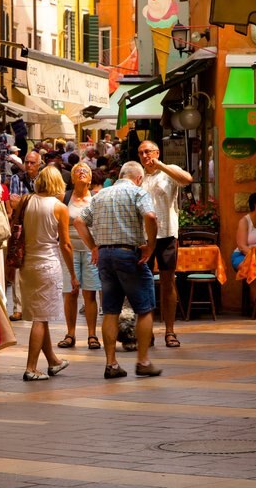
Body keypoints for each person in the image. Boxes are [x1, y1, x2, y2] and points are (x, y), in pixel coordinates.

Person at [75, 161, 163, 379]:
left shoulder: (101, 195)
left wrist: (94, 246)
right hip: (128, 254)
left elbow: (78, 221)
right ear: (139, 178)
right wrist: (151, 246)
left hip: (104, 256)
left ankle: (111, 364)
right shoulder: (137, 192)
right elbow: (151, 217)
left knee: (111, 310)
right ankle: (143, 361)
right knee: (144, 308)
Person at [18, 166, 76, 380]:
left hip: (27, 265)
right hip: (47, 265)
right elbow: (66, 245)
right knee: (40, 319)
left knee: (40, 315)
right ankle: (31, 368)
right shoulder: (59, 207)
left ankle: (53, 360)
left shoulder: (26, 201)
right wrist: (72, 273)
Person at [137, 140, 193, 348]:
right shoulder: (138, 176)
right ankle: (147, 330)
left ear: (157, 152)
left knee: (168, 282)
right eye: (141, 153)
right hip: (143, 237)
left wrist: (160, 165)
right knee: (144, 282)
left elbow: (187, 179)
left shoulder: (169, 171)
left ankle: (170, 331)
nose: (144, 156)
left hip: (167, 234)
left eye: (148, 151)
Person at [56, 163, 102, 350]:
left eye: (86, 171)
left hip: (91, 251)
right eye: (78, 171)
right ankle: (70, 333)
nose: (82, 172)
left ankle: (92, 334)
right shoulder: (64, 197)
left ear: (91, 179)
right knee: (70, 293)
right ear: (72, 178)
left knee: (90, 293)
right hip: (69, 250)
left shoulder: (97, 198)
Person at [6, 150, 43, 320]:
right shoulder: (16, 179)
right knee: (18, 267)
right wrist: (32, 201)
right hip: (21, 226)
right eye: (27, 162)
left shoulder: (44, 179)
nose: (28, 165)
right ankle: (18, 307)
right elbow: (14, 204)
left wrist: (24, 201)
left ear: (39, 164)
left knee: (38, 266)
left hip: (40, 227)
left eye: (32, 163)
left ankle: (34, 304)